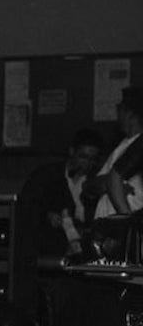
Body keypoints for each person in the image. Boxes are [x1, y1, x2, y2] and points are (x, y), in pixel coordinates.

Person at [21, 128, 104, 259]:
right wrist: (47, 215)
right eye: (83, 157)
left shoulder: (97, 180)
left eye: (92, 159)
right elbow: (26, 206)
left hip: (86, 251)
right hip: (51, 250)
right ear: (72, 152)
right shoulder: (47, 176)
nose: (87, 163)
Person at [91, 86, 143, 219]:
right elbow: (93, 186)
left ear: (130, 114)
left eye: (119, 109)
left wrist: (128, 222)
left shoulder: (139, 146)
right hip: (111, 224)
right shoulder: (122, 145)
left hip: (131, 225)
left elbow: (113, 178)